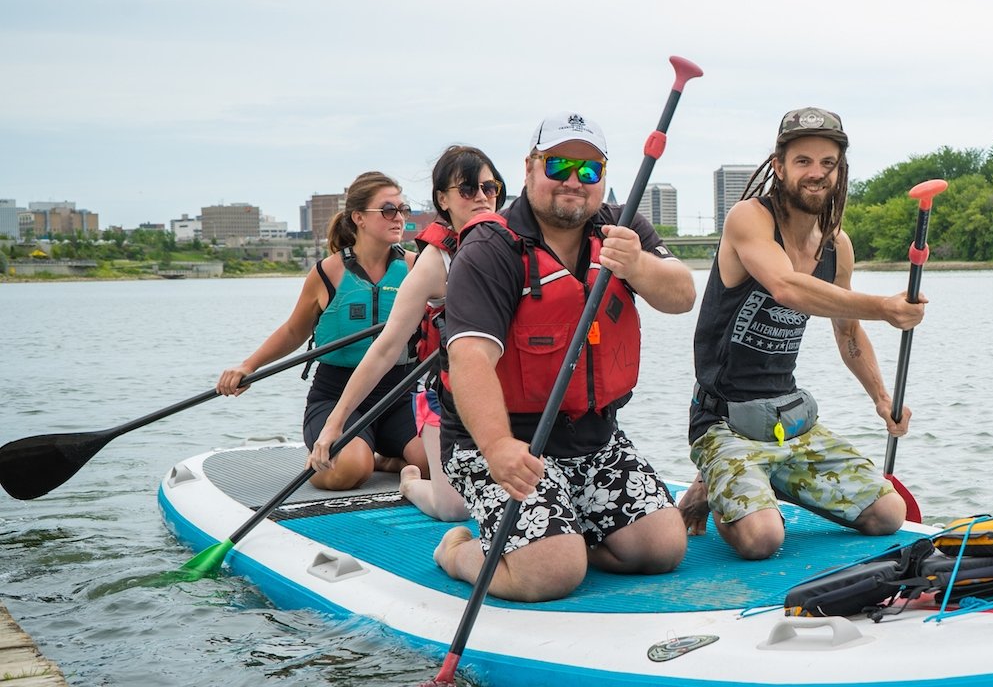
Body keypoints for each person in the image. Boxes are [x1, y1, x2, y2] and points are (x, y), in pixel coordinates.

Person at [432, 112, 696, 602]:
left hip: (593, 437)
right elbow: (469, 359)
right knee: (550, 575)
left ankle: (563, 534)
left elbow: (682, 296)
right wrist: (497, 447)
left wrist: (637, 264)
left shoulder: (623, 226)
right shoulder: (490, 248)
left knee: (662, 548)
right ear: (531, 167)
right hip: (509, 443)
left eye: (589, 171)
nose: (574, 181)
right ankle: (459, 551)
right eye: (559, 166)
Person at [678, 107, 926, 560]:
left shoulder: (838, 245)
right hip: (724, 421)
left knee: (887, 514)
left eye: (828, 163)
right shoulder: (749, 218)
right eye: (804, 161)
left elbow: (847, 333)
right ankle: (715, 482)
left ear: (840, 170)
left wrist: (881, 398)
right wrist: (884, 307)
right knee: (763, 540)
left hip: (789, 422)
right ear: (779, 165)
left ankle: (765, 479)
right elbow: (787, 287)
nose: (817, 174)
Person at [310, 146, 506, 521]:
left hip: (500, 396)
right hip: (445, 399)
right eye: (467, 190)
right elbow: (385, 350)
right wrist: (334, 423)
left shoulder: (512, 244)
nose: (481, 197)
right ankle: (410, 483)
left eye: (489, 187)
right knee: (453, 510)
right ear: (443, 200)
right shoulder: (434, 264)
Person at [218, 171, 424, 490]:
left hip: (400, 394)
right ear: (359, 218)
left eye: (403, 209)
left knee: (439, 462)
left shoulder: (417, 269)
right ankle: (363, 456)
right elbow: (292, 332)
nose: (399, 218)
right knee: (351, 471)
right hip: (335, 395)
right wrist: (248, 366)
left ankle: (382, 457)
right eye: (388, 210)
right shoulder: (327, 273)